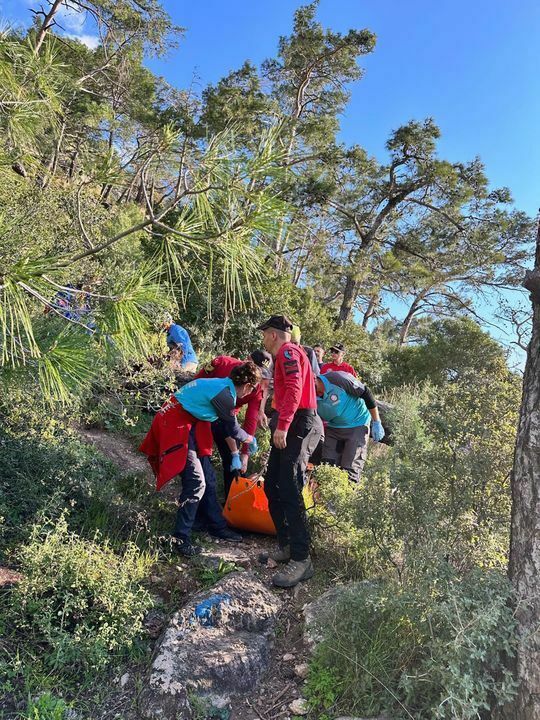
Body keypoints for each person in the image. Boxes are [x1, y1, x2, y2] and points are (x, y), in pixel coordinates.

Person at [140, 362, 260, 556]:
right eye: (253, 389)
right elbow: (233, 429)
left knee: (208, 478)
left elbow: (228, 426)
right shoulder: (225, 395)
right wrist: (250, 439)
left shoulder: (222, 387)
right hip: (175, 424)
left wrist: (237, 453)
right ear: (248, 386)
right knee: (196, 482)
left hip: (189, 425)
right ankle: (180, 539)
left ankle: (212, 524)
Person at [258, 315, 323, 588]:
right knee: (272, 485)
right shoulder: (288, 353)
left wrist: (283, 425)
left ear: (272, 334)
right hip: (288, 421)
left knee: (289, 487)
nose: (262, 340)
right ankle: (285, 545)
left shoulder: (288, 351)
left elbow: (296, 388)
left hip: (299, 422)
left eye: (264, 334)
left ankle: (301, 558)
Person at [193, 349, 273, 500]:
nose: (256, 380)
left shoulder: (256, 390)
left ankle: (232, 503)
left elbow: (250, 420)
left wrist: (244, 453)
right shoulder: (222, 363)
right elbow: (196, 383)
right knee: (202, 455)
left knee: (233, 463)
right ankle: (204, 498)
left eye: (262, 375)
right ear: (247, 361)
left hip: (228, 420)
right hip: (201, 414)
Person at [315, 371, 385, 482]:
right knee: (327, 467)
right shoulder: (308, 393)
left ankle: (348, 497)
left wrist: (377, 422)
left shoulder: (338, 379)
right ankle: (327, 498)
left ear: (314, 379)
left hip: (357, 424)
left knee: (350, 469)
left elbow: (366, 393)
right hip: (334, 427)